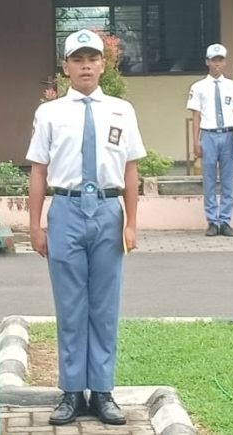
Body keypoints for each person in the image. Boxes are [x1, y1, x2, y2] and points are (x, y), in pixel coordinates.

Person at [26, 29, 146, 427]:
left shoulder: (122, 110)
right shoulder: (50, 113)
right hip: (67, 210)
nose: (86, 66)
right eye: (77, 60)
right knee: (71, 305)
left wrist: (131, 222)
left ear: (103, 64)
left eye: (92, 59)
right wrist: (35, 224)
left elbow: (131, 170)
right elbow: (39, 171)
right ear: (65, 67)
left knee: (105, 306)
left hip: (108, 211)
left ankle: (104, 391)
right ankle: (73, 391)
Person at [187, 43, 233, 237]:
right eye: (213, 60)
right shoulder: (198, 87)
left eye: (220, 60)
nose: (217, 64)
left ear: (225, 62)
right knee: (209, 180)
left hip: (228, 134)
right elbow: (196, 116)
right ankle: (212, 220)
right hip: (209, 134)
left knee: (228, 180)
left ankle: (226, 220)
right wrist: (196, 141)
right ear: (207, 62)